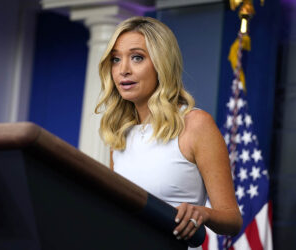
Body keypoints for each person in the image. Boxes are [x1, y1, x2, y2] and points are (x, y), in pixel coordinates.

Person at [95, 16, 242, 245]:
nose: (123, 70)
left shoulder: (196, 124)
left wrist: (202, 213)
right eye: (115, 59)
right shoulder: (120, 133)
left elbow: (232, 219)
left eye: (137, 58)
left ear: (161, 63)